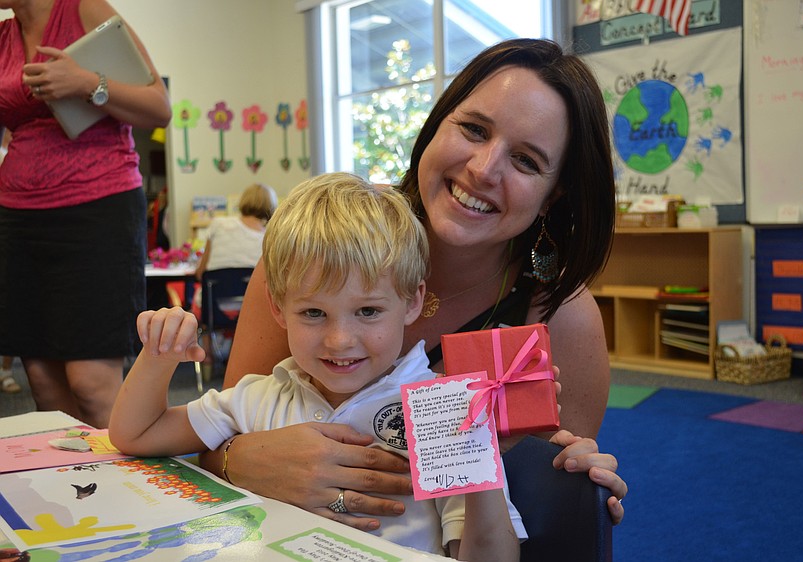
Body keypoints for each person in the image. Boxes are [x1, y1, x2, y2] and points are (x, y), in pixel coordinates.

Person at [200, 37, 629, 530]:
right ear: (436, 124)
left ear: (554, 196)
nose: (483, 169)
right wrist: (238, 460)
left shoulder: (561, 319)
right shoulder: (320, 251)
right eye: (474, 129)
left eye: (526, 161)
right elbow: (217, 442)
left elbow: (541, 511)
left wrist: (577, 491)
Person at [110, 173, 522, 560]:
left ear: (413, 301)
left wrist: (478, 459)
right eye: (313, 313)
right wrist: (159, 356)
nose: (340, 340)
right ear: (277, 308)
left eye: (367, 311)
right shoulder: (261, 397)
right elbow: (136, 434)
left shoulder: (445, 411)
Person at [0, 0, 171, 428]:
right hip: (19, 218)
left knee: (91, 384)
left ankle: (124, 470)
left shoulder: (83, 9)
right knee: (44, 383)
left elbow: (159, 107)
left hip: (97, 211)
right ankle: (76, 473)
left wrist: (87, 83)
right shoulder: (3, 38)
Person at [192, 183, 278, 281]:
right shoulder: (268, 239)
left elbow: (200, 273)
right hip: (250, 289)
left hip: (216, 289)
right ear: (271, 206)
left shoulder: (218, 224)